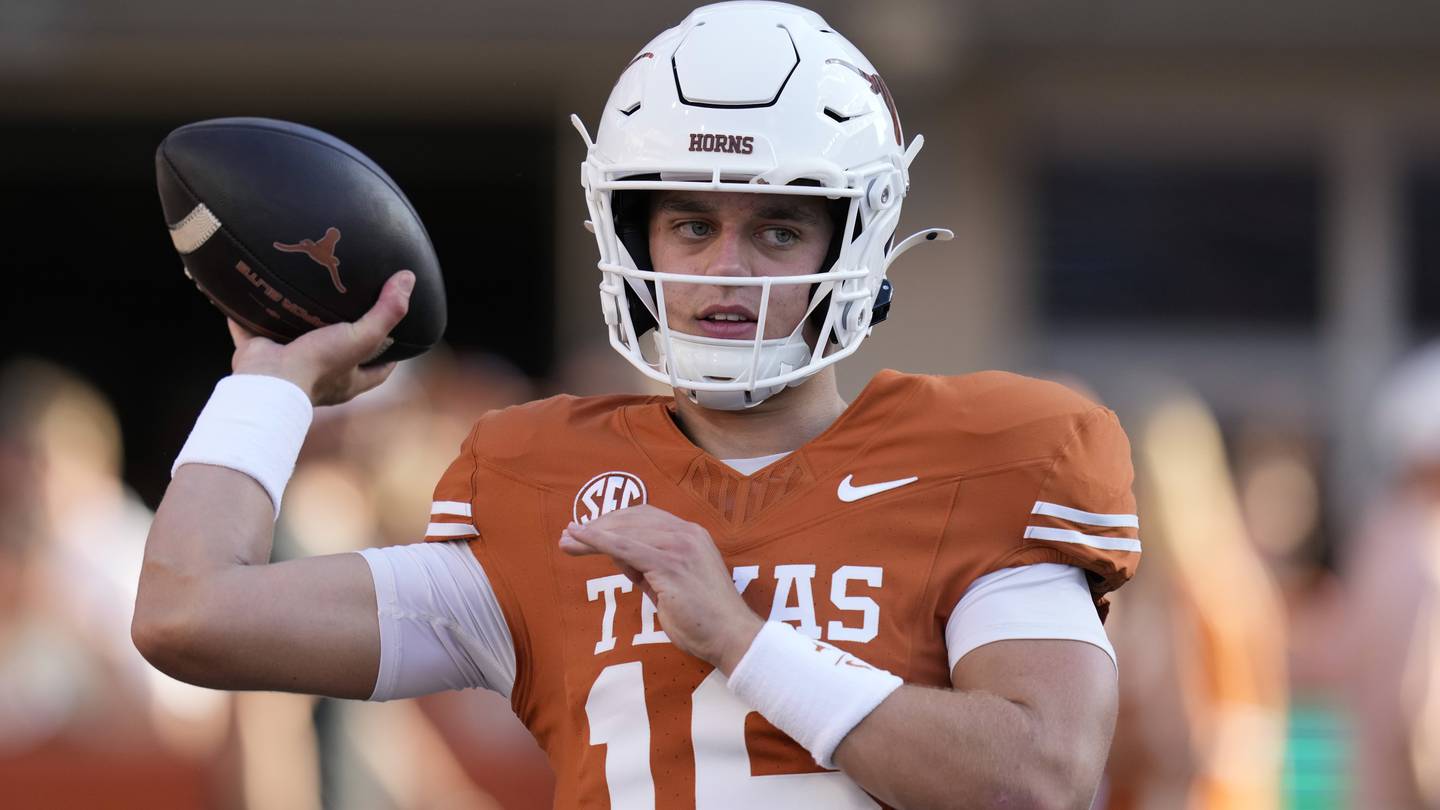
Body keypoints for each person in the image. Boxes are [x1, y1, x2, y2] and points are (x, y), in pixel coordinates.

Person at [134, 3, 1140, 808]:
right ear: (631, 234)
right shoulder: (547, 495)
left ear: (854, 242)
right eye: (691, 223)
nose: (725, 271)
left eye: (779, 231)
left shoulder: (986, 459)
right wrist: (267, 386)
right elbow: (189, 614)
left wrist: (743, 640)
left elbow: (1037, 780)